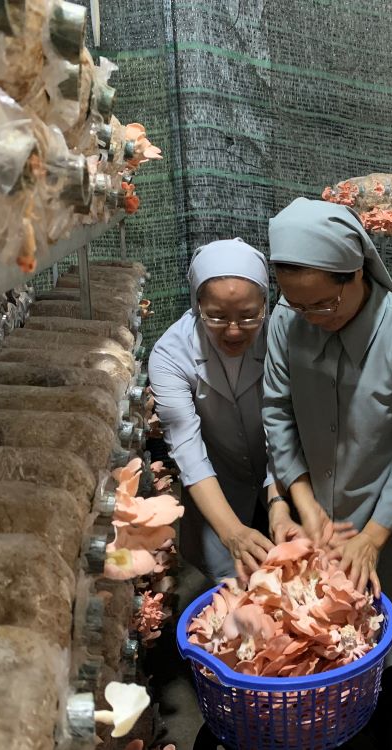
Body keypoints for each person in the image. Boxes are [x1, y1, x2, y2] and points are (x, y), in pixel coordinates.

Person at [262, 197, 392, 666]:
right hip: (307, 522)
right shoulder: (288, 321)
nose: (311, 317)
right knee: (306, 646)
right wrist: (303, 503)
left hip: (380, 525)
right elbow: (277, 411)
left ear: (357, 273)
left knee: (377, 641)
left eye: (324, 303)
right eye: (297, 304)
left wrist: (371, 538)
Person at [148, 238, 302, 582]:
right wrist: (231, 531)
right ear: (196, 305)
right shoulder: (171, 354)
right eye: (216, 317)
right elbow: (186, 447)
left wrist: (278, 501)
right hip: (218, 487)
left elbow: (288, 426)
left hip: (287, 480)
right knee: (230, 593)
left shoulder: (285, 335)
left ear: (266, 302)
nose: (233, 331)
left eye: (249, 316)